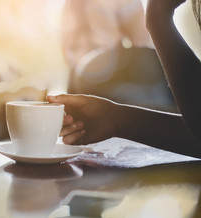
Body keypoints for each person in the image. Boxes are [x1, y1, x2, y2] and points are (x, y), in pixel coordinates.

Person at [48, 0, 201, 158]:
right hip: (105, 89)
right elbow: (142, 45)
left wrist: (158, 17)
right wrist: (116, 119)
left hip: (86, 84)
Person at [61, 0, 176, 111]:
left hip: (78, 81)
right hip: (109, 80)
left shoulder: (68, 6)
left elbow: (67, 51)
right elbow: (141, 41)